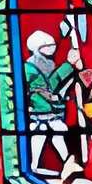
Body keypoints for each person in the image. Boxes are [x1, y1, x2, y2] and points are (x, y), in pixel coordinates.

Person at [23, 29, 82, 176]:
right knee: (42, 134)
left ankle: (66, 163)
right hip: (40, 109)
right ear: (38, 48)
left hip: (49, 109)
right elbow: (51, 84)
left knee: (55, 134)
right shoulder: (30, 67)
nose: (52, 48)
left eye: (53, 45)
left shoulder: (47, 63)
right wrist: (69, 65)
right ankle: (35, 166)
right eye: (47, 46)